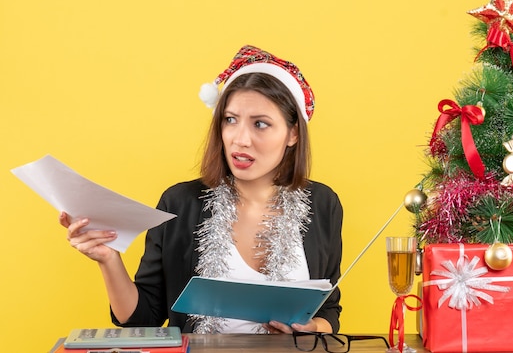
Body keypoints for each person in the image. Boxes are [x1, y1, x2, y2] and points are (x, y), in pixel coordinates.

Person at [60, 45, 343, 334]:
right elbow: (143, 320)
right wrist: (109, 260)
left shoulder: (322, 204)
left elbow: (328, 311)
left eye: (260, 124)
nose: (240, 139)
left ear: (293, 133)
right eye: (230, 120)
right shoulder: (179, 203)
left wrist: (310, 328)